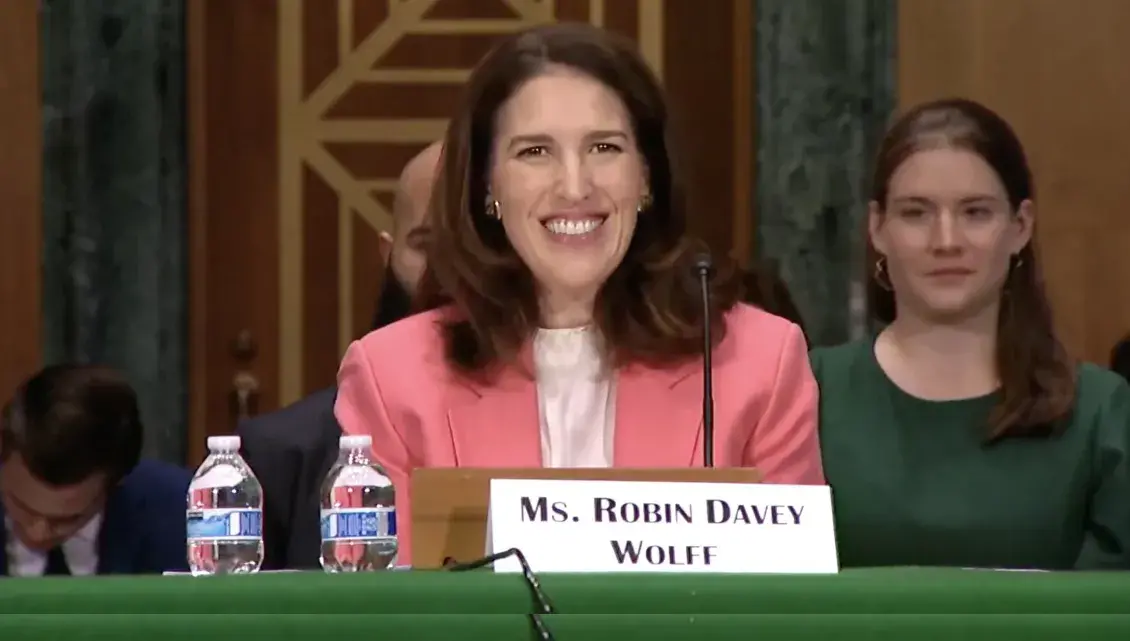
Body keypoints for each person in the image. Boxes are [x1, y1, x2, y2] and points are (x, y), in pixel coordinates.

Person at [335, 23, 824, 565]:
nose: (574, 186)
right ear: (487, 187)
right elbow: (386, 609)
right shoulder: (390, 377)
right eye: (535, 151)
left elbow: (792, 601)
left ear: (646, 178)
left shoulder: (760, 362)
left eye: (604, 147)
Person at [812, 98, 1130, 569]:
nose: (946, 241)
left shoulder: (1100, 412)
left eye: (975, 213)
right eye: (916, 213)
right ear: (878, 229)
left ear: (1020, 227)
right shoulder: (807, 389)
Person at [237, 141, 441, 570]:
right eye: (429, 247)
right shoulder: (280, 456)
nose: (454, 274)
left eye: (481, 250)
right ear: (388, 255)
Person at [0, 364, 191, 576]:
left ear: (116, 482)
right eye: (21, 506)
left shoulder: (184, 516)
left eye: (66, 520)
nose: (36, 533)